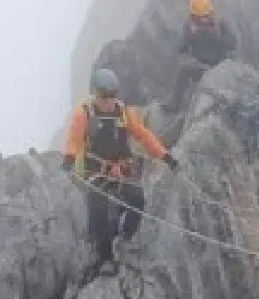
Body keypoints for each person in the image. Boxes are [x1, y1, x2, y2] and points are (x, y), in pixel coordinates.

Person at [63, 68, 180, 266]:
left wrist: (165, 156)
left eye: (113, 95)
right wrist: (69, 159)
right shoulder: (84, 114)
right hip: (96, 171)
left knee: (137, 199)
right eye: (104, 96)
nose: (109, 101)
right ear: (95, 94)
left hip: (122, 169)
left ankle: (126, 237)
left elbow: (144, 135)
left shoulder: (124, 113)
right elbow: (73, 139)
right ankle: (104, 256)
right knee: (98, 205)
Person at [170, 0, 237, 113]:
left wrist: (214, 37)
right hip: (200, 66)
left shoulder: (220, 25)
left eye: (206, 16)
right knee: (183, 72)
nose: (203, 20)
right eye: (199, 17)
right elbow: (181, 50)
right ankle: (175, 105)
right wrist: (191, 58)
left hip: (220, 66)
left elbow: (233, 44)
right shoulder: (189, 28)